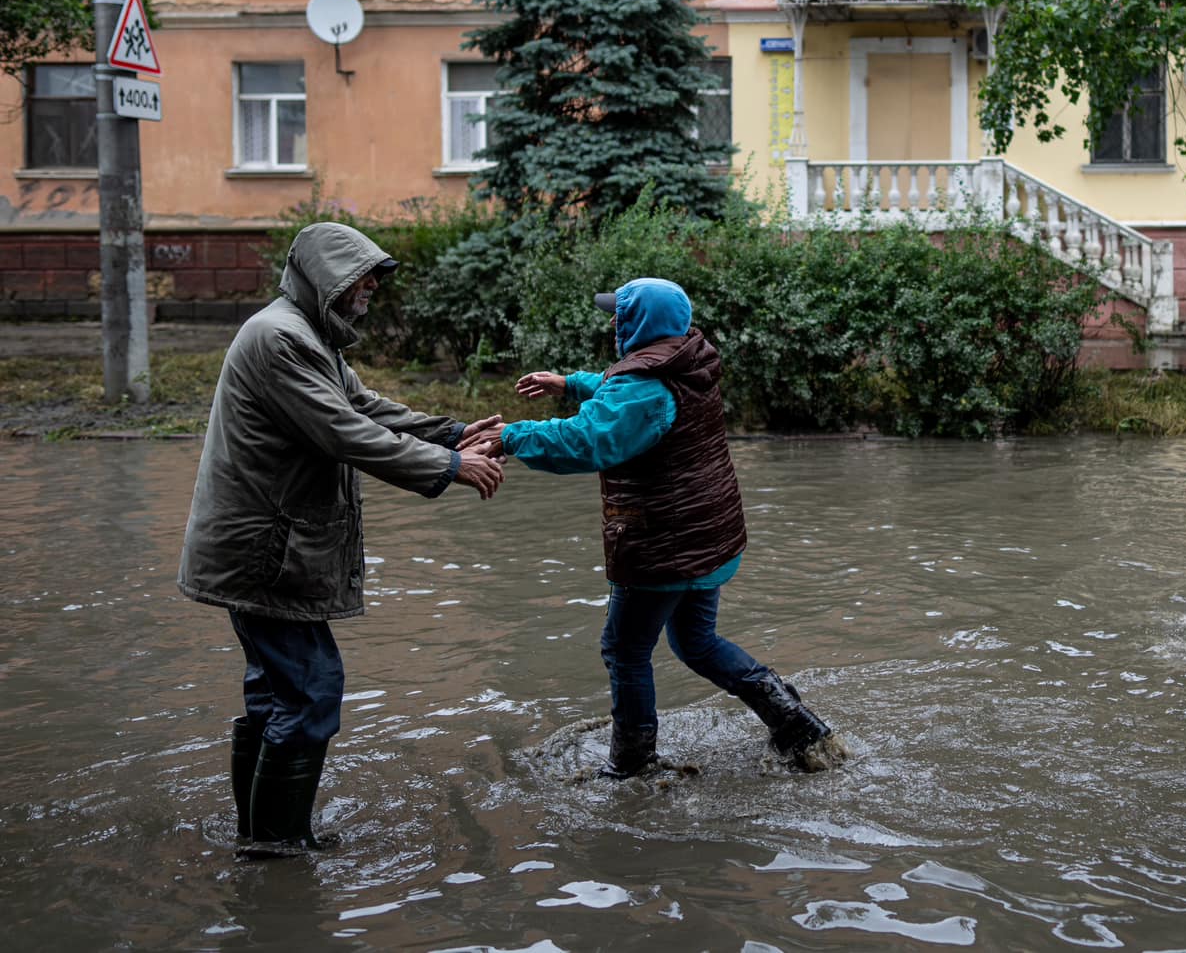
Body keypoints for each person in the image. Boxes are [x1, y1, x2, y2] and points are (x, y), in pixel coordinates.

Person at [178, 222, 506, 856]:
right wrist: (448, 467)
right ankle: (278, 847)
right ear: (327, 279)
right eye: (362, 282)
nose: (370, 293)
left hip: (262, 550)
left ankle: (259, 835)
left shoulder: (306, 335)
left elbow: (370, 409)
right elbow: (343, 433)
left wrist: (452, 432)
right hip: (265, 555)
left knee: (277, 695)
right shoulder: (280, 339)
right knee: (311, 689)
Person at [485, 277, 841, 777]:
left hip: (664, 546)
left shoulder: (645, 389)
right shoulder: (688, 359)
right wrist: (572, 384)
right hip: (707, 536)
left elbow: (588, 440)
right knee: (697, 643)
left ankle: (632, 765)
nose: (613, 322)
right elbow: (625, 392)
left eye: (620, 314)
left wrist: (511, 436)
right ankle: (796, 722)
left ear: (640, 323)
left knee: (624, 650)